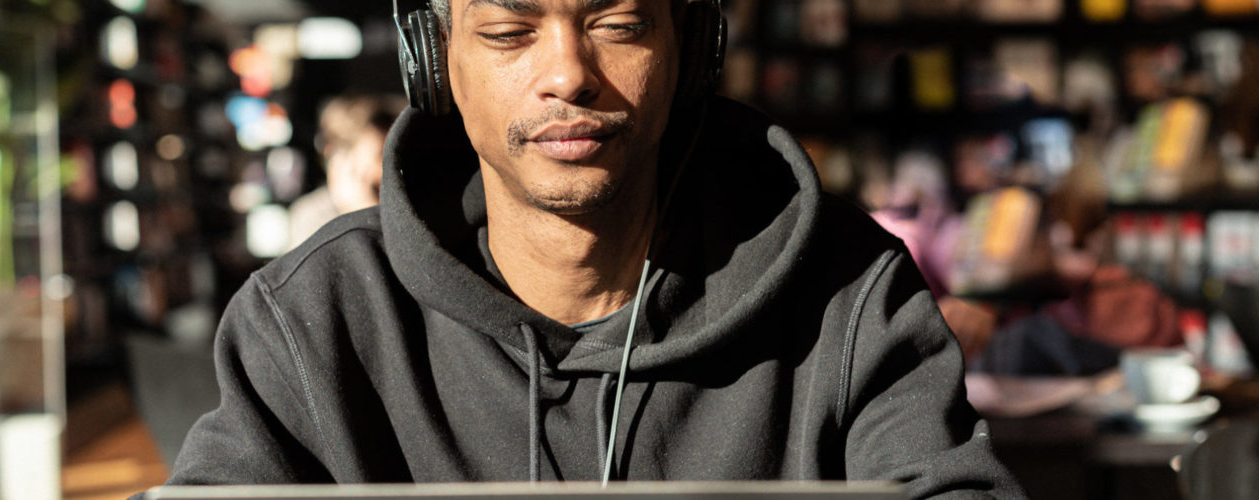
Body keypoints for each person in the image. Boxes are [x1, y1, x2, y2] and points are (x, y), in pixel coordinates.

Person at [161, 0, 1023, 496]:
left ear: (690, 47)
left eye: (617, 21)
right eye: (507, 30)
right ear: (435, 62)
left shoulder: (850, 293)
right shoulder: (315, 319)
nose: (569, 73)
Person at [287, 94, 406, 251]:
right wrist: (365, 216)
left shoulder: (404, 206)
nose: (389, 169)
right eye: (379, 156)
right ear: (338, 159)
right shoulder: (311, 219)